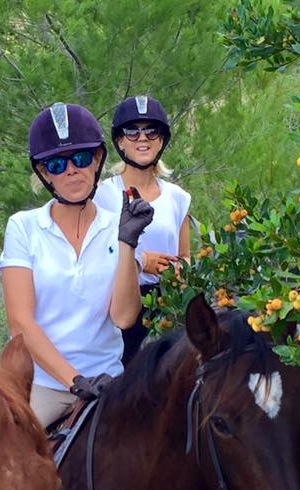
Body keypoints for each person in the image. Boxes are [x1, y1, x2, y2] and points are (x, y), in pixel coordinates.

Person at [0, 102, 153, 428]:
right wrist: (75, 380)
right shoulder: (23, 227)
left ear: (97, 160)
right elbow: (20, 323)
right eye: (56, 164)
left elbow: (124, 317)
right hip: (47, 387)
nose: (71, 170)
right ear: (43, 172)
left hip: (110, 383)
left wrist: (128, 243)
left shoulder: (119, 225)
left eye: (80, 159)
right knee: (8, 467)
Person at [94, 95, 191, 365]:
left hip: (168, 307)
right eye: (132, 131)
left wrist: (180, 269)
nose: (142, 138)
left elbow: (185, 255)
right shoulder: (101, 196)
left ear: (162, 139)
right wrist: (142, 261)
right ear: (120, 141)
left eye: (151, 130)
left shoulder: (178, 198)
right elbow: (93, 254)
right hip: (117, 305)